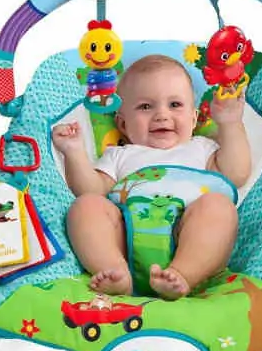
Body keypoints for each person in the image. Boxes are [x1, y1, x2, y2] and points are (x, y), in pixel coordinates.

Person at [52, 54, 251, 299]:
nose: (161, 115)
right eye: (145, 107)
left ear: (194, 118)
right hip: (128, 241)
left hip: (188, 238)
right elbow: (91, 189)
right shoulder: (120, 155)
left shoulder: (201, 148)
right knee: (85, 206)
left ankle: (184, 274)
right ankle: (114, 271)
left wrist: (230, 123)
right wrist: (74, 152)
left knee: (219, 207)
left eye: (175, 105)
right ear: (123, 124)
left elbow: (236, 173)